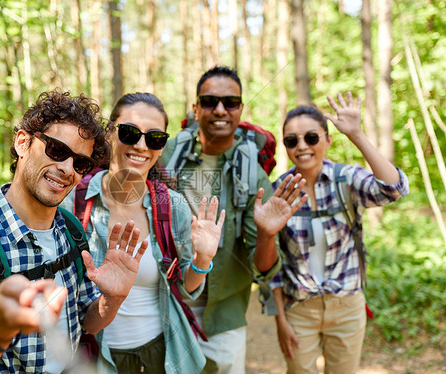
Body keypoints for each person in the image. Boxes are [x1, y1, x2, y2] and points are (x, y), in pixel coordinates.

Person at [0, 90, 150, 374]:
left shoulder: (71, 230)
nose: (67, 168)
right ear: (23, 142)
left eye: (80, 163)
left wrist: (113, 298)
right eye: (57, 150)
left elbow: (85, 321)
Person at [61, 92, 225, 373]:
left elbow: (185, 289)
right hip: (94, 358)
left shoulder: (173, 207)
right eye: (130, 132)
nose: (141, 145)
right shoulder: (71, 202)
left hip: (163, 355)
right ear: (110, 133)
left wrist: (201, 259)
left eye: (155, 138)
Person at [160, 65, 308, 373]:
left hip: (222, 314)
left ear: (240, 109)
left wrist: (268, 233)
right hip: (167, 306)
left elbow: (264, 268)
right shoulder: (165, 154)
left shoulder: (252, 173)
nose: (220, 110)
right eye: (210, 101)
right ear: (195, 108)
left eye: (230, 102)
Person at [270, 92, 410, 373]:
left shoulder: (346, 179)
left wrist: (357, 135)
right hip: (299, 308)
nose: (302, 146)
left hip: (347, 306)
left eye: (311, 137)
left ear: (327, 139)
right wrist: (280, 320)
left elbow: (394, 189)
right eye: (291, 140)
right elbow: (274, 265)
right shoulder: (279, 192)